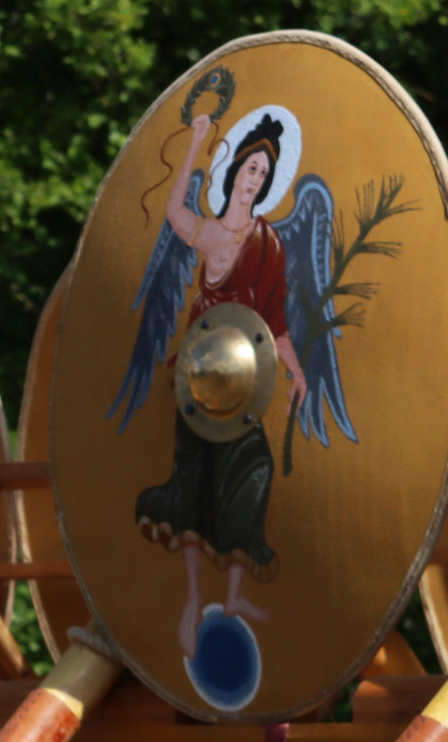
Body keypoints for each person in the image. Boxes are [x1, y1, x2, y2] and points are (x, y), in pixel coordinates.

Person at [135, 108, 309, 659]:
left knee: (250, 470)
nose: (254, 178)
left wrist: (297, 370)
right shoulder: (209, 232)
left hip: (247, 383)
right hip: (201, 378)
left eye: (264, 173)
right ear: (233, 171)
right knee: (194, 487)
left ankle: (233, 596)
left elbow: (276, 319)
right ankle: (192, 601)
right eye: (249, 167)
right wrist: (198, 140)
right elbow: (171, 210)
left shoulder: (269, 241)